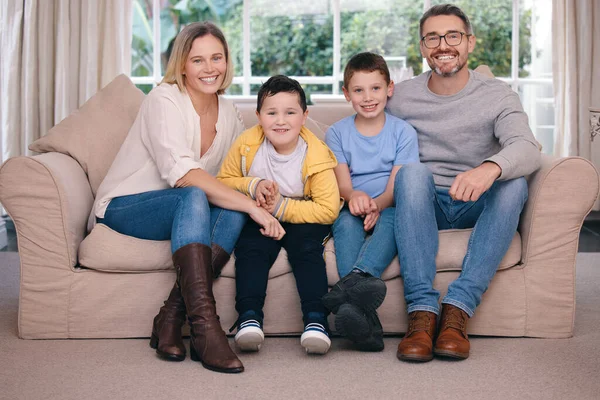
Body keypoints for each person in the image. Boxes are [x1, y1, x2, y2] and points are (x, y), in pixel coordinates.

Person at [92, 22, 285, 374]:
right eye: (198, 60)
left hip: (186, 207)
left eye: (217, 58)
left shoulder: (228, 112)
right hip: (126, 206)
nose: (210, 68)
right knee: (194, 194)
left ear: (227, 61)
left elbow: (230, 174)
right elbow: (181, 174)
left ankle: (171, 316)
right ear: (182, 64)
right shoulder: (162, 99)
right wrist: (250, 206)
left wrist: (254, 187)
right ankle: (205, 328)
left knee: (234, 211)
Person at [387, 4, 541, 362]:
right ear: (422, 47)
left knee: (514, 183)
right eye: (433, 37)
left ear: (470, 42)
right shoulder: (402, 96)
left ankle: (458, 309)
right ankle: (422, 312)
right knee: (412, 172)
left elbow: (527, 148)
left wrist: (488, 168)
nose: (444, 45)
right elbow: (363, 134)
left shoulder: (497, 95)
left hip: (476, 201)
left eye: (453, 36)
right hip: (423, 205)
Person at [218, 75, 340, 355]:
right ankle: (249, 317)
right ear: (258, 116)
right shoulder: (247, 144)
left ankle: (316, 321)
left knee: (307, 252)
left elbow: (328, 208)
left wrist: (282, 207)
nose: (280, 121)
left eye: (290, 112)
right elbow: (223, 180)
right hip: (261, 213)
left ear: (305, 116)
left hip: (304, 212)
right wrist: (253, 184)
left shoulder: (317, 154)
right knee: (251, 249)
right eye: (271, 113)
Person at [323, 52, 419, 351]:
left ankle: (348, 286)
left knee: (395, 219)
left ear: (389, 88)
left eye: (375, 88)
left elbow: (397, 185)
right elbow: (342, 185)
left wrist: (377, 204)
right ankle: (366, 322)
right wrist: (355, 198)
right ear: (346, 94)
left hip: (389, 205)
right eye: (359, 90)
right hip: (353, 208)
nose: (368, 97)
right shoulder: (336, 133)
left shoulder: (403, 131)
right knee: (345, 223)